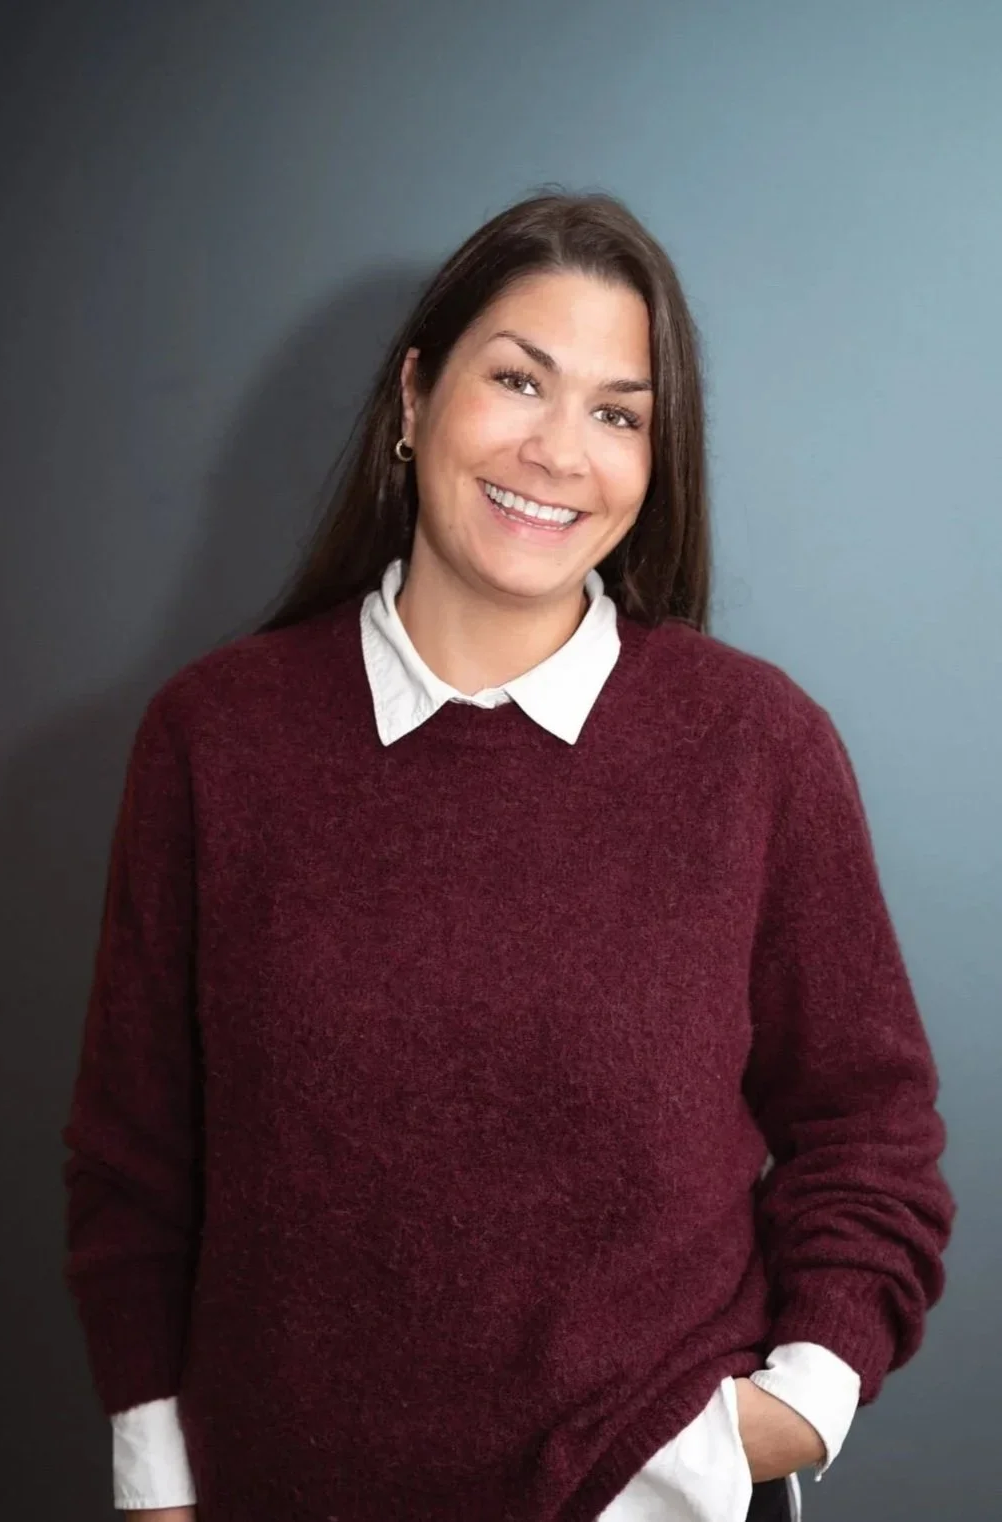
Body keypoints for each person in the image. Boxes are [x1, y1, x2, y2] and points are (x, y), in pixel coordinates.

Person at [60, 189, 956, 1522]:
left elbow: (867, 1132)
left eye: (616, 411)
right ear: (415, 397)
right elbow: (138, 1156)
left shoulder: (754, 747)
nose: (556, 451)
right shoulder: (216, 739)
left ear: (655, 461)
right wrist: (156, 1481)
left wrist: (780, 1417)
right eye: (516, 380)